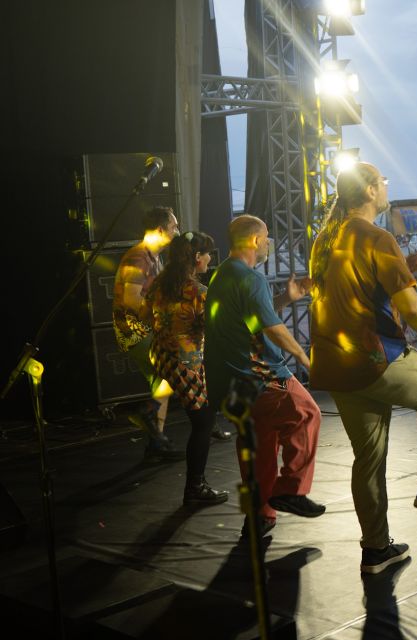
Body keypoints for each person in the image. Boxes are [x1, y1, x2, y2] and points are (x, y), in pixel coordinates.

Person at [309, 163, 417, 574]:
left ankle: (376, 549)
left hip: (333, 364)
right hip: (372, 357)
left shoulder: (325, 238)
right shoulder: (375, 237)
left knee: (368, 458)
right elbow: (409, 304)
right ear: (370, 191)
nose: (387, 187)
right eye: (383, 182)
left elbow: (350, 291)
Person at [205, 215, 324, 538]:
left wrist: (285, 299)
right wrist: (304, 357)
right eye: (267, 236)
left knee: (259, 445)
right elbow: (271, 328)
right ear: (256, 240)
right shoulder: (251, 277)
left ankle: (259, 517)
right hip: (262, 376)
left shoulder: (222, 274)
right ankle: (291, 490)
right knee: (306, 414)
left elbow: (255, 317)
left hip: (231, 385)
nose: (269, 243)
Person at [142, 230, 228, 506]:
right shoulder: (198, 292)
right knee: (203, 422)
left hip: (161, 355)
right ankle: (195, 487)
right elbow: (213, 328)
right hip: (185, 363)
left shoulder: (160, 284)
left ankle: (152, 412)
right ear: (197, 257)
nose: (210, 259)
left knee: (200, 416)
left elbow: (145, 314)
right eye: (208, 254)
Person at [113, 206, 182, 460]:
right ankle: (148, 413)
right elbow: (131, 300)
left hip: (143, 330)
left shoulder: (152, 257)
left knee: (162, 380)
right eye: (174, 227)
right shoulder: (138, 258)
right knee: (171, 371)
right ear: (161, 230)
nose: (177, 232)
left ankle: (156, 443)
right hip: (136, 332)